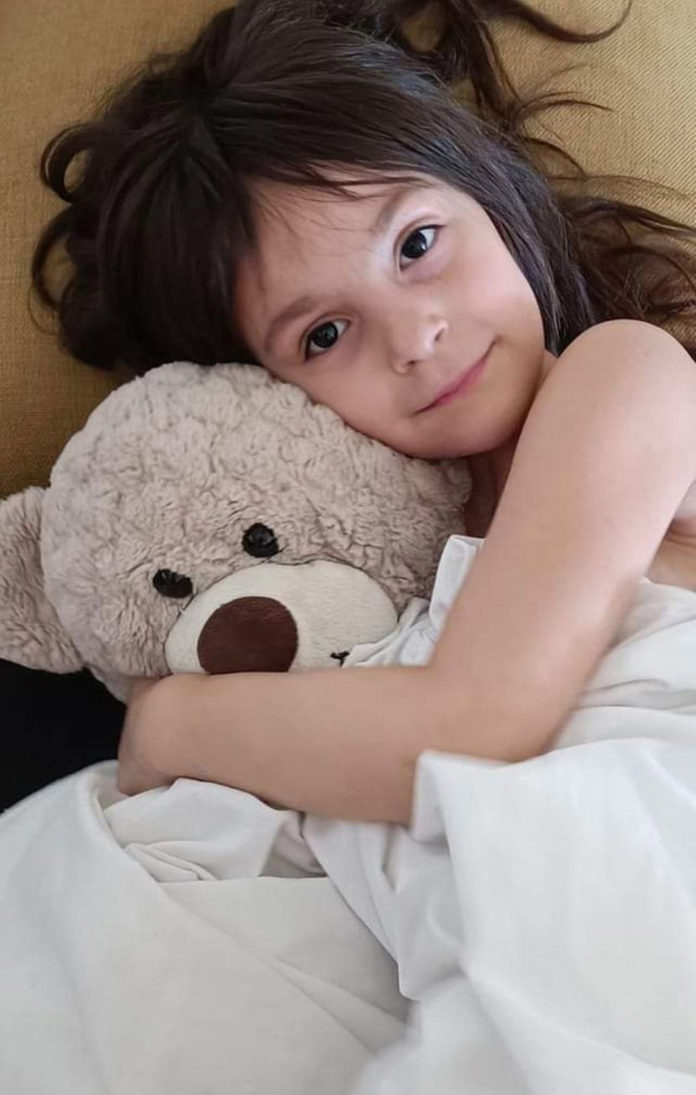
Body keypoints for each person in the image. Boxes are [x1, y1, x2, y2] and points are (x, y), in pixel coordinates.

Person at [30, 0, 696, 824]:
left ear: (489, 194)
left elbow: (476, 732)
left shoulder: (623, 374)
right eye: (326, 334)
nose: (415, 338)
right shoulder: (353, 552)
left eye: (417, 244)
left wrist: (167, 722)